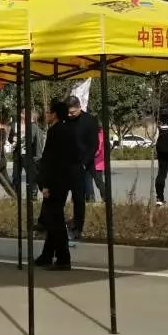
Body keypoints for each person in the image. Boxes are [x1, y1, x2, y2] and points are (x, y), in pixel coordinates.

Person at [35, 100, 75, 270]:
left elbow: (51, 161)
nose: (46, 115)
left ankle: (63, 258)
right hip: (63, 181)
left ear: (55, 114)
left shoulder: (55, 131)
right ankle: (47, 255)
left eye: (49, 112)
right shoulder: (68, 130)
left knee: (56, 221)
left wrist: (46, 185)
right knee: (52, 219)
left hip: (54, 182)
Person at [65, 95, 101, 237]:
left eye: (72, 112)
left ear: (79, 107)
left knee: (79, 197)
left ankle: (78, 226)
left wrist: (84, 164)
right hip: (67, 163)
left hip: (82, 164)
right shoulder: (65, 120)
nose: (70, 115)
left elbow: (93, 146)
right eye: (68, 112)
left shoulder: (90, 121)